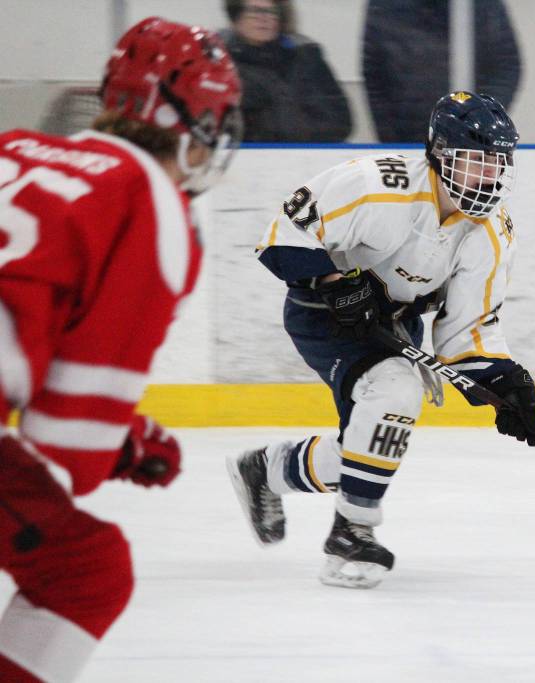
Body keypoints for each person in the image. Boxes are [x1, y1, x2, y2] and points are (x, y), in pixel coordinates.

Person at [0, 17, 241, 682]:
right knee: (85, 571)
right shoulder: (151, 205)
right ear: (199, 123)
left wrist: (122, 437)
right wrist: (120, 444)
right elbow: (65, 446)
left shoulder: (15, 146)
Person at [227, 91, 535, 590]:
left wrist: (506, 383)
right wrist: (337, 284)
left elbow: (468, 330)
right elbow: (280, 235)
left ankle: (267, 470)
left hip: (392, 323)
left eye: (498, 163)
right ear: (440, 156)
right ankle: (351, 532)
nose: (490, 176)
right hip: (323, 312)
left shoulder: (492, 230)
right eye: (477, 161)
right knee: (396, 393)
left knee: (371, 440)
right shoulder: (377, 185)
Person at [362, 0, 521, 143]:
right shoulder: (387, 6)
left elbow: (506, 66)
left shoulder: (482, 6)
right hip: (406, 137)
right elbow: (375, 74)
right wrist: (391, 135)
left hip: (470, 142)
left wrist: (481, 119)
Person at [221, 0, 351, 142]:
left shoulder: (306, 56)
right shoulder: (219, 64)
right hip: (248, 156)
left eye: (271, 11)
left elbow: (340, 121)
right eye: (254, 10)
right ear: (235, 18)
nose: (264, 18)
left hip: (311, 154)